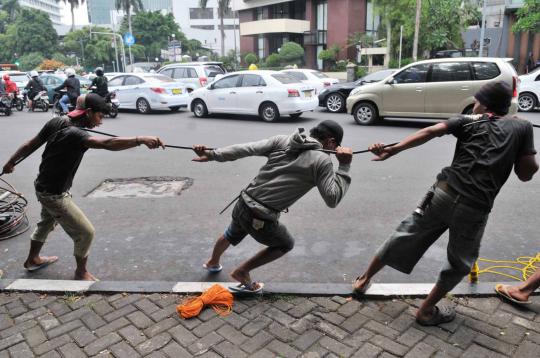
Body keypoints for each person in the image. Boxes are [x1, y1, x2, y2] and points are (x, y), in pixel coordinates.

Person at [352, 81, 538, 326]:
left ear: (485, 104)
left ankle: (363, 280)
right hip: (474, 207)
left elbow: (430, 131)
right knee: (459, 263)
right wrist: (528, 157)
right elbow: (526, 173)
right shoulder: (522, 126)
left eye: (477, 100)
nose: (474, 104)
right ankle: (426, 311)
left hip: (442, 193)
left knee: (404, 234)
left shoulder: (467, 121)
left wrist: (393, 150)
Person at [2, 93, 165, 281]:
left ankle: (32, 260)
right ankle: (81, 272)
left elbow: (31, 144)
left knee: (46, 223)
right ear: (88, 112)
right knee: (86, 232)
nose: (101, 122)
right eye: (100, 116)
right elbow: (107, 143)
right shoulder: (75, 134)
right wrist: (140, 139)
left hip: (44, 185)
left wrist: (11, 162)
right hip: (53, 193)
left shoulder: (58, 121)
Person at [192, 120, 353, 293]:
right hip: (261, 216)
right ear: (331, 142)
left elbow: (247, 148)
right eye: (335, 146)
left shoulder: (283, 140)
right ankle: (242, 271)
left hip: (243, 202)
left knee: (231, 233)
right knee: (285, 244)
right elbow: (332, 198)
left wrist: (213, 154)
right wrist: (344, 165)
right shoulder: (323, 161)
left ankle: (213, 262)